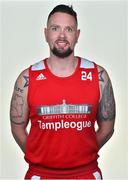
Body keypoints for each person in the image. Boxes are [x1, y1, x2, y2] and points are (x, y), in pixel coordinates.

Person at [10, 4, 116, 179]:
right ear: (46, 34)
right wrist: (39, 156)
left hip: (86, 174)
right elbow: (17, 127)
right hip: (40, 174)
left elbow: (107, 128)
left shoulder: (98, 76)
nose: (61, 35)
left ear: (77, 35)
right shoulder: (27, 78)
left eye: (68, 29)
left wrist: (84, 153)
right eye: (55, 28)